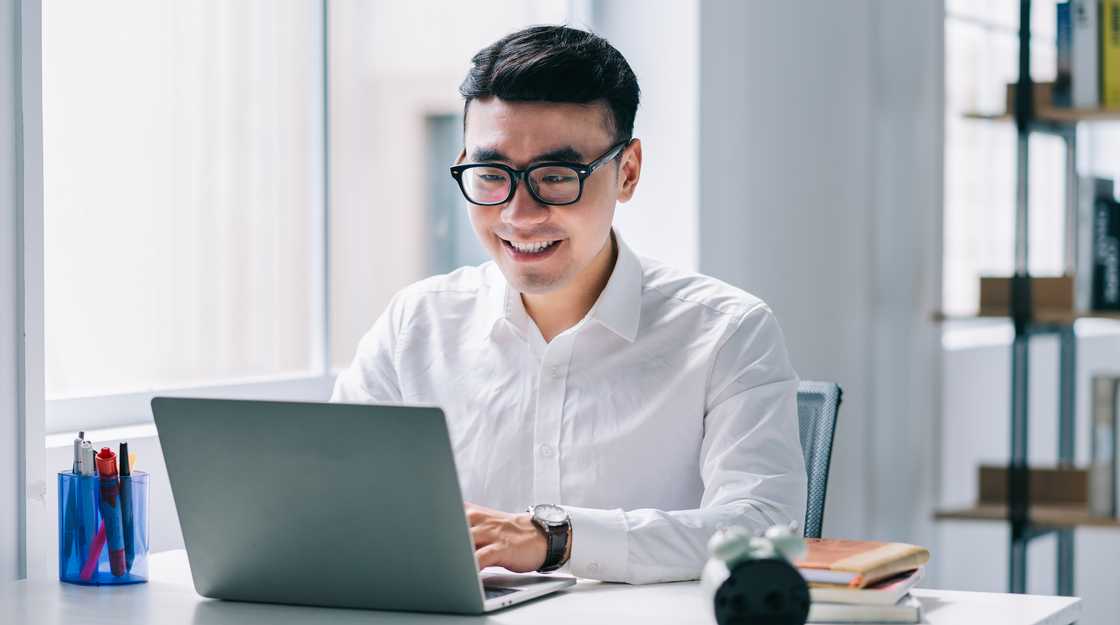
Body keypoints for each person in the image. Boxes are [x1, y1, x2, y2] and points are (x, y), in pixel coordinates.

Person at [331, 25, 806, 585]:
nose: (519, 214)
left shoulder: (728, 332)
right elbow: (335, 502)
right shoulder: (417, 323)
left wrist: (556, 541)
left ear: (626, 172)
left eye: (556, 178)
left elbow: (759, 528)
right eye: (491, 175)